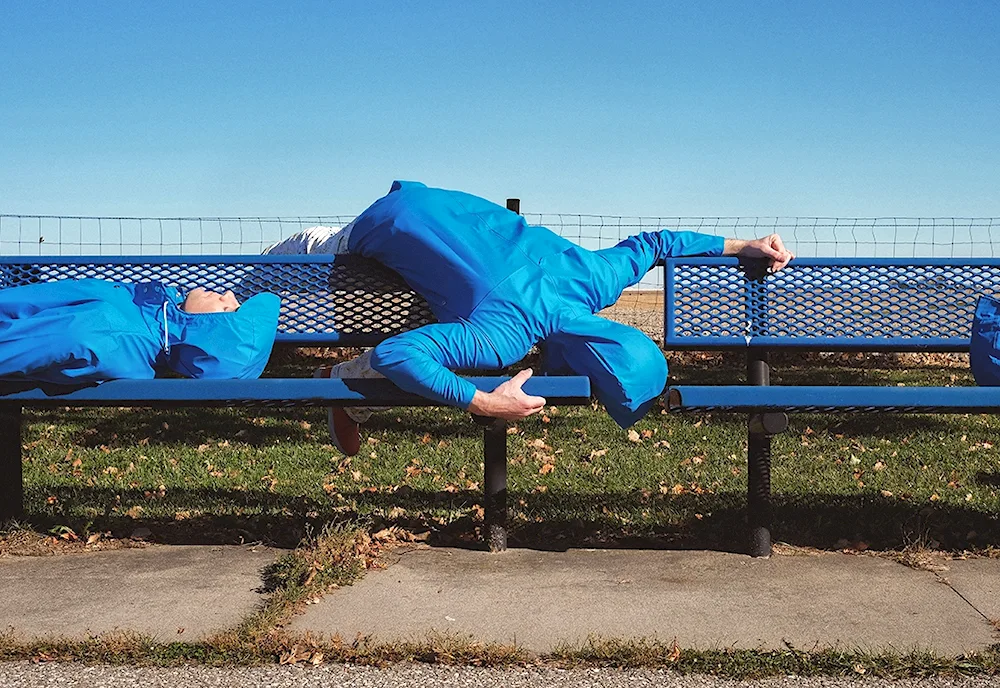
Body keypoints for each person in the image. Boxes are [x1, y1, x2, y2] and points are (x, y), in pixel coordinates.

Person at [265, 181, 794, 456]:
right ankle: (340, 387)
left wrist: (741, 244)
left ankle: (346, 395)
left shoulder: (594, 277)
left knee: (434, 312)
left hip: (433, 201)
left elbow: (657, 243)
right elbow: (396, 354)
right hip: (375, 229)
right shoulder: (505, 338)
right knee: (285, 269)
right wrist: (485, 401)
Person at [0, 278, 281, 384]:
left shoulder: (110, 333)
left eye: (230, 309)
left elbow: (26, 343)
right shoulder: (149, 318)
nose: (229, 294)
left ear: (210, 334)